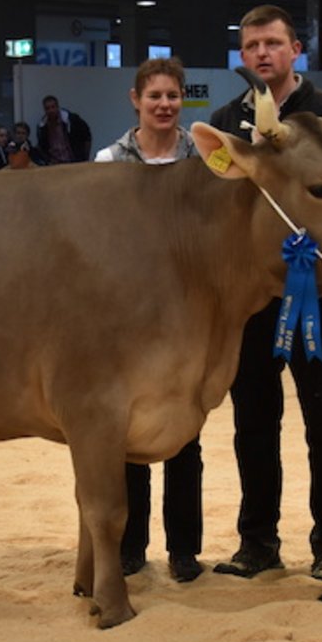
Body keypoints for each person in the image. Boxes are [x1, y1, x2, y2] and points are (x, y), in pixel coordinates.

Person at [207, 4, 322, 581]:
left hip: (319, 295)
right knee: (252, 423)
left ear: (295, 52)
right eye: (252, 45)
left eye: (272, 43)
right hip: (253, 300)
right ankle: (256, 543)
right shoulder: (224, 119)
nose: (262, 53)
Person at [92, 56, 204, 583]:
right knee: (128, 433)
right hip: (128, 317)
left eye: (173, 96)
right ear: (135, 100)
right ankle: (131, 547)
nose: (164, 105)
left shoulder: (205, 158)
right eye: (154, 96)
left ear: (184, 100)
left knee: (186, 434)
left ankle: (185, 551)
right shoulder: (108, 161)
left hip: (188, 314)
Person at [37, 95, 93, 163]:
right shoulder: (42, 126)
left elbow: (87, 137)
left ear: (58, 107)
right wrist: (47, 160)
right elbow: (42, 147)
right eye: (47, 108)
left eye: (53, 107)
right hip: (54, 163)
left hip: (74, 161)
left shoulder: (72, 120)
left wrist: (85, 158)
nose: (51, 110)